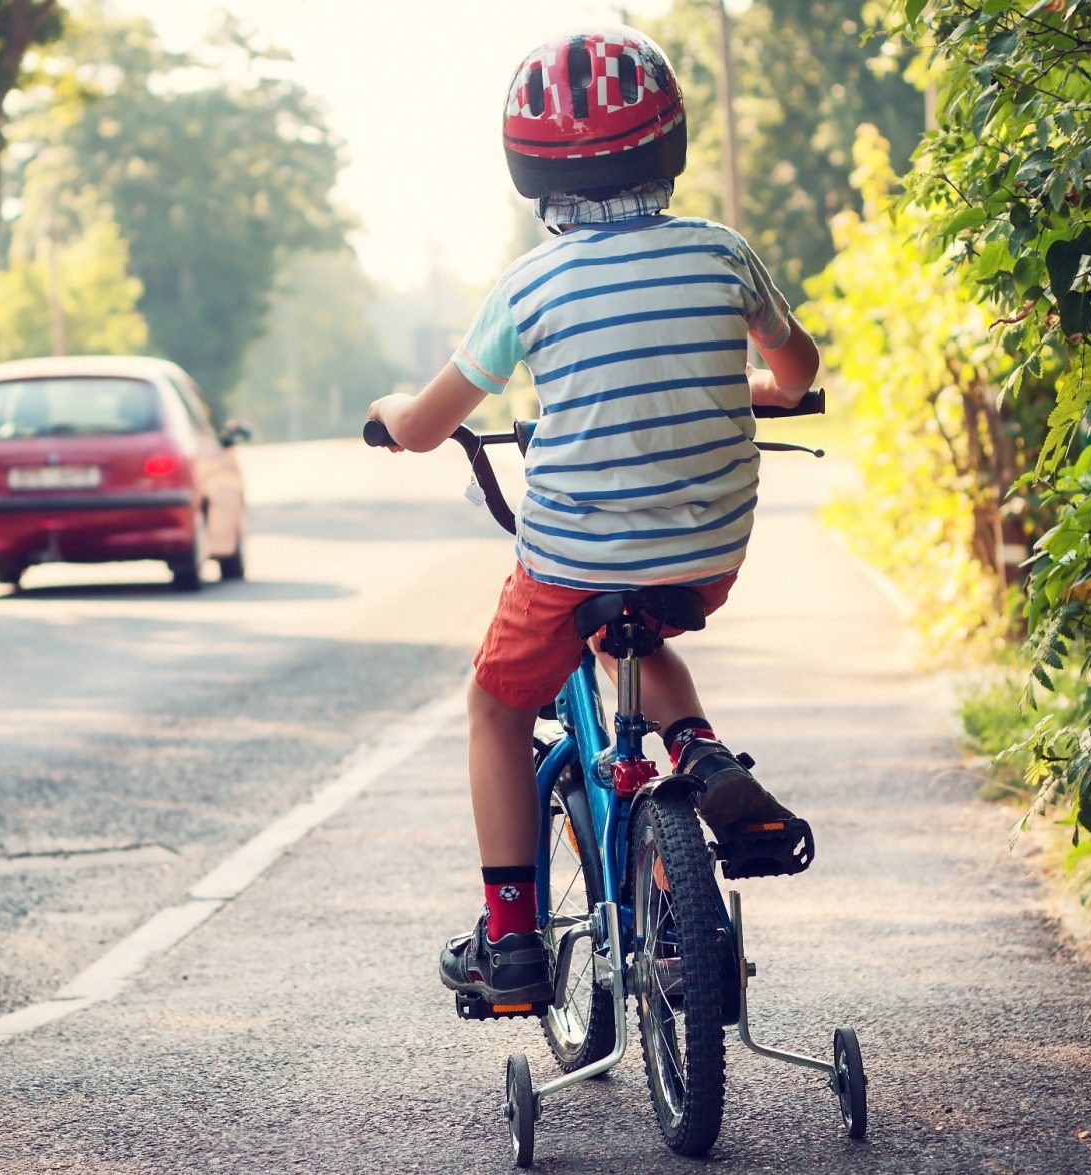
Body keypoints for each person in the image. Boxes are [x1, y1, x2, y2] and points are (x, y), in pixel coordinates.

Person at [366, 27, 822, 1006]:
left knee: (493, 705)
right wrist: (759, 389)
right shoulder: (721, 253)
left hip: (572, 558)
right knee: (639, 625)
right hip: (705, 551)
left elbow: (428, 421)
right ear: (669, 140)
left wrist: (392, 419)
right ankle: (695, 749)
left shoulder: (529, 286)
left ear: (527, 167)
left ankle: (512, 939)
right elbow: (797, 370)